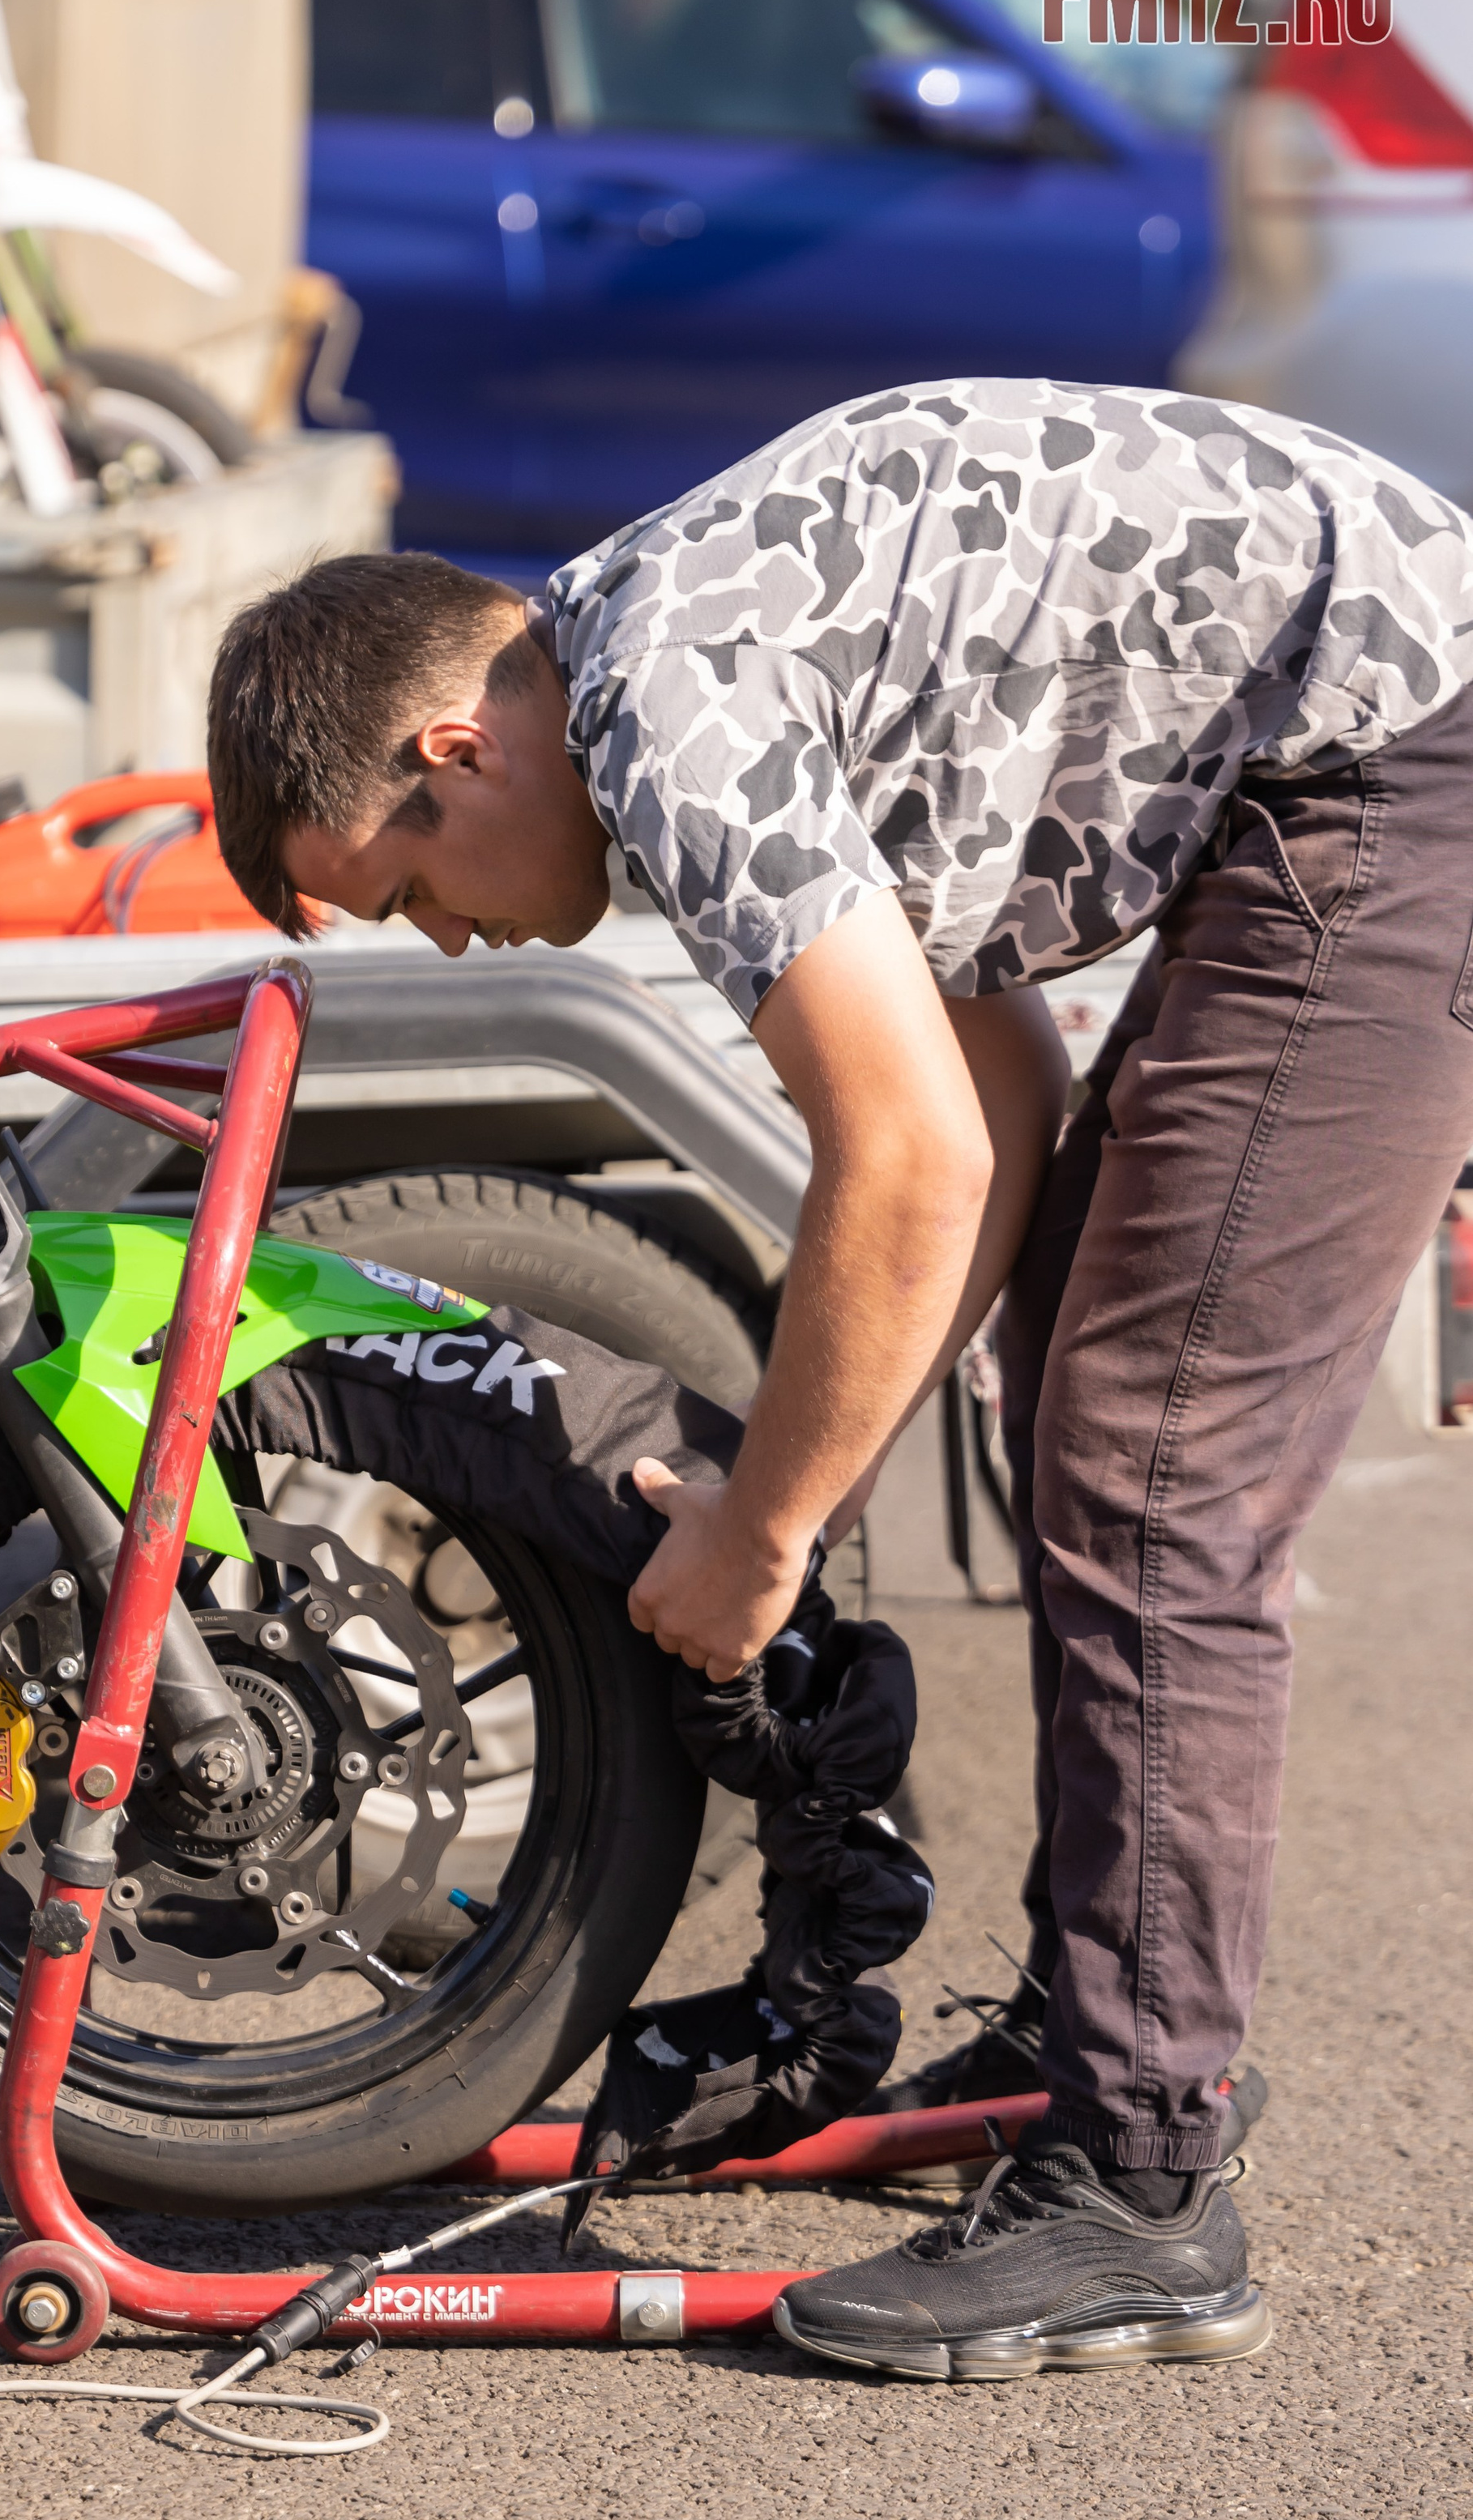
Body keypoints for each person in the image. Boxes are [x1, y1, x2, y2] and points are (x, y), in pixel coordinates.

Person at [204, 378, 1473, 2381]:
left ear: (453, 748)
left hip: (1396, 759)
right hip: (1357, 736)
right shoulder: (684, 654)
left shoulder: (671, 716)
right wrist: (799, 1476)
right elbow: (992, 1091)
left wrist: (768, 1524)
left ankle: (1141, 2192)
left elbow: (910, 1156)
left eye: (408, 888)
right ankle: (1109, 2041)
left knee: (1149, 1485)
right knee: (1091, 1402)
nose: (444, 944)